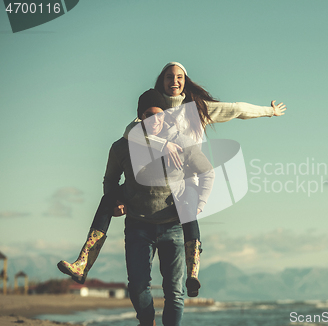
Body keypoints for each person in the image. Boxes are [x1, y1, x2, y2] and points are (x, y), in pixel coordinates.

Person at [57, 62, 287, 297]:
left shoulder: (197, 109)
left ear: (185, 80)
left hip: (183, 182)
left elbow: (236, 109)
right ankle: (83, 263)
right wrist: (164, 144)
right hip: (149, 184)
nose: (174, 81)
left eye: (179, 76)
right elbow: (131, 133)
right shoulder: (152, 109)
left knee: (186, 211)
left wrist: (269, 111)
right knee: (108, 201)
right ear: (162, 80)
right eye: (169, 76)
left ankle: (193, 274)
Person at [112, 89, 214, 326]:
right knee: (137, 285)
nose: (154, 120)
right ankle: (147, 323)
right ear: (140, 116)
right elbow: (110, 179)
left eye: (159, 115)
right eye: (148, 115)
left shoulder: (182, 142)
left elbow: (207, 171)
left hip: (173, 226)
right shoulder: (123, 145)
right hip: (138, 225)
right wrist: (115, 200)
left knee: (174, 292)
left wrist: (200, 204)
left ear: (166, 116)